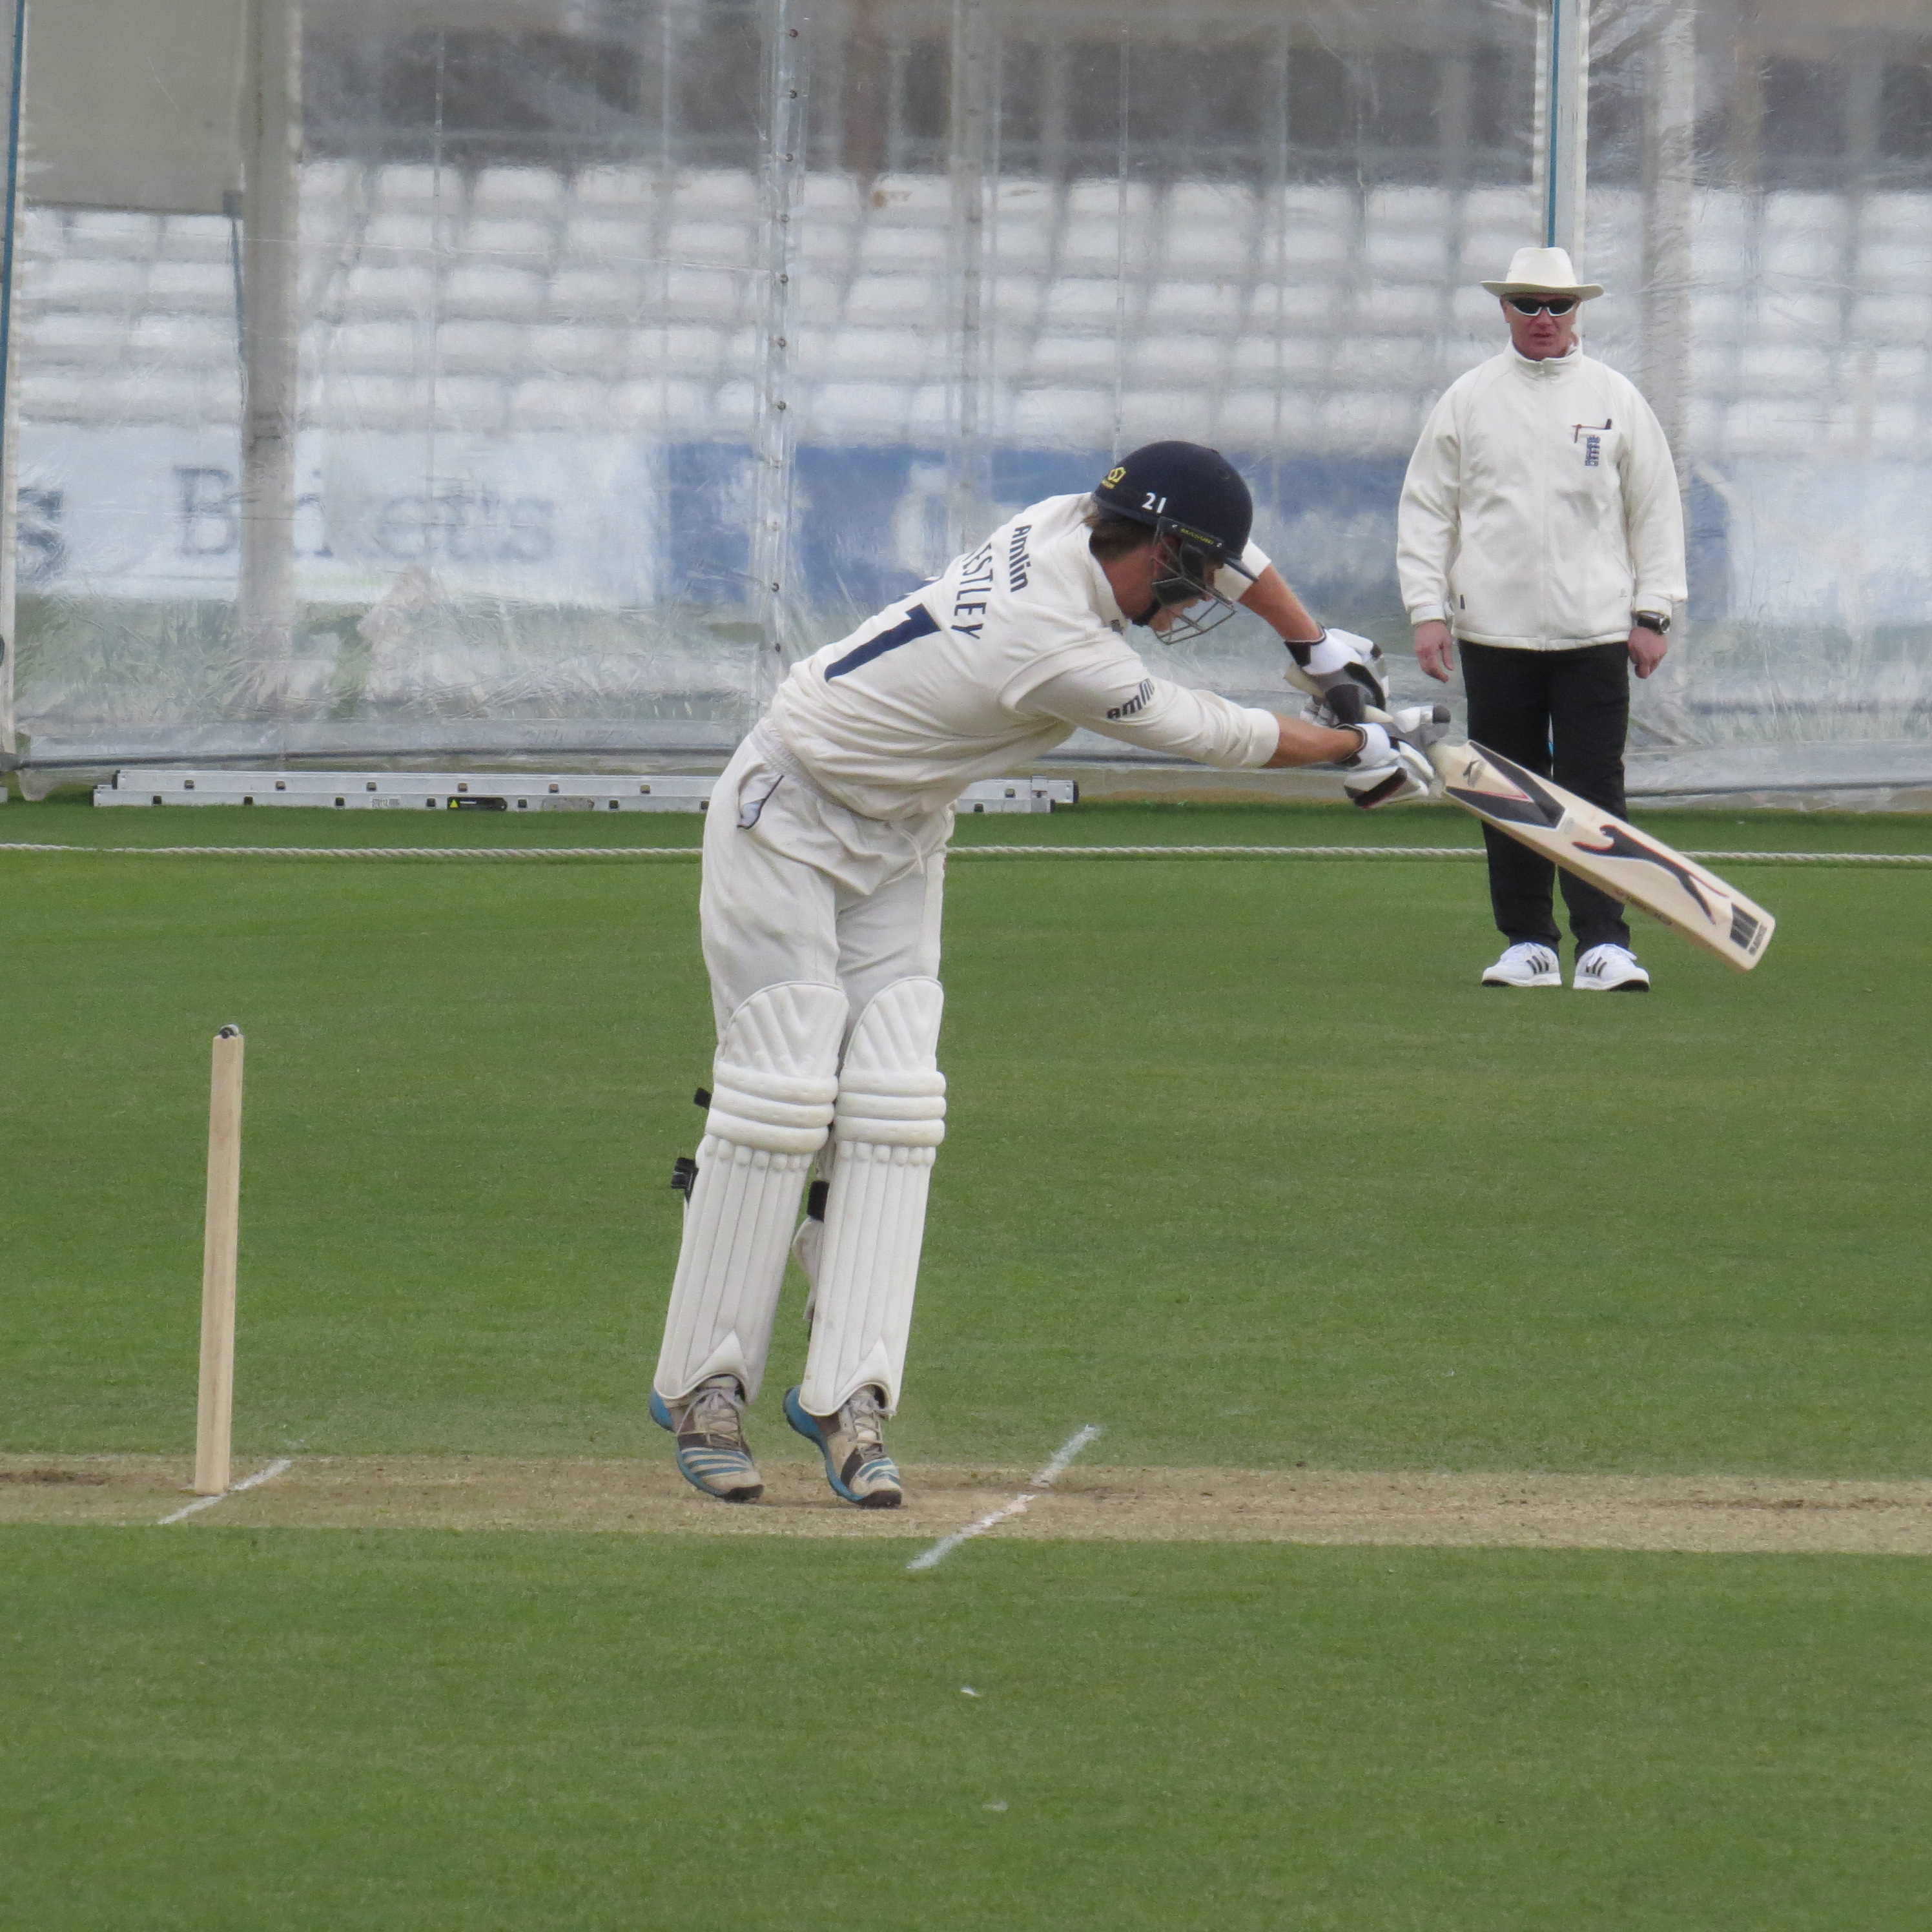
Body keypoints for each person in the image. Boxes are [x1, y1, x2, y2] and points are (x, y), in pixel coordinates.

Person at [651, 442, 1434, 1508]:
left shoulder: (1069, 515)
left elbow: (1233, 552)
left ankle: (850, 1399)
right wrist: (1354, 750)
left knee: (893, 1105)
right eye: (1188, 578)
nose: (1194, 599)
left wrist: (1317, 647)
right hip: (784, 808)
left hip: (901, 832)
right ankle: (705, 1389)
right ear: (1155, 550)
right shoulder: (1053, 643)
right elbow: (1209, 731)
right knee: (783, 1092)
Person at [1397, 245, 1688, 991]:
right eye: (1526, 303)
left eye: (1557, 304)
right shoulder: (1468, 398)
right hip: (1493, 631)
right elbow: (1427, 510)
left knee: (1594, 788)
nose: (1542, 317)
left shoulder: (1614, 396)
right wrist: (1427, 610)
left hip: (1594, 630)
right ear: (1504, 308)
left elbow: (1654, 510)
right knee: (1507, 790)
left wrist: (1653, 612)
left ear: (1577, 309)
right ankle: (1528, 942)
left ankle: (1603, 944)